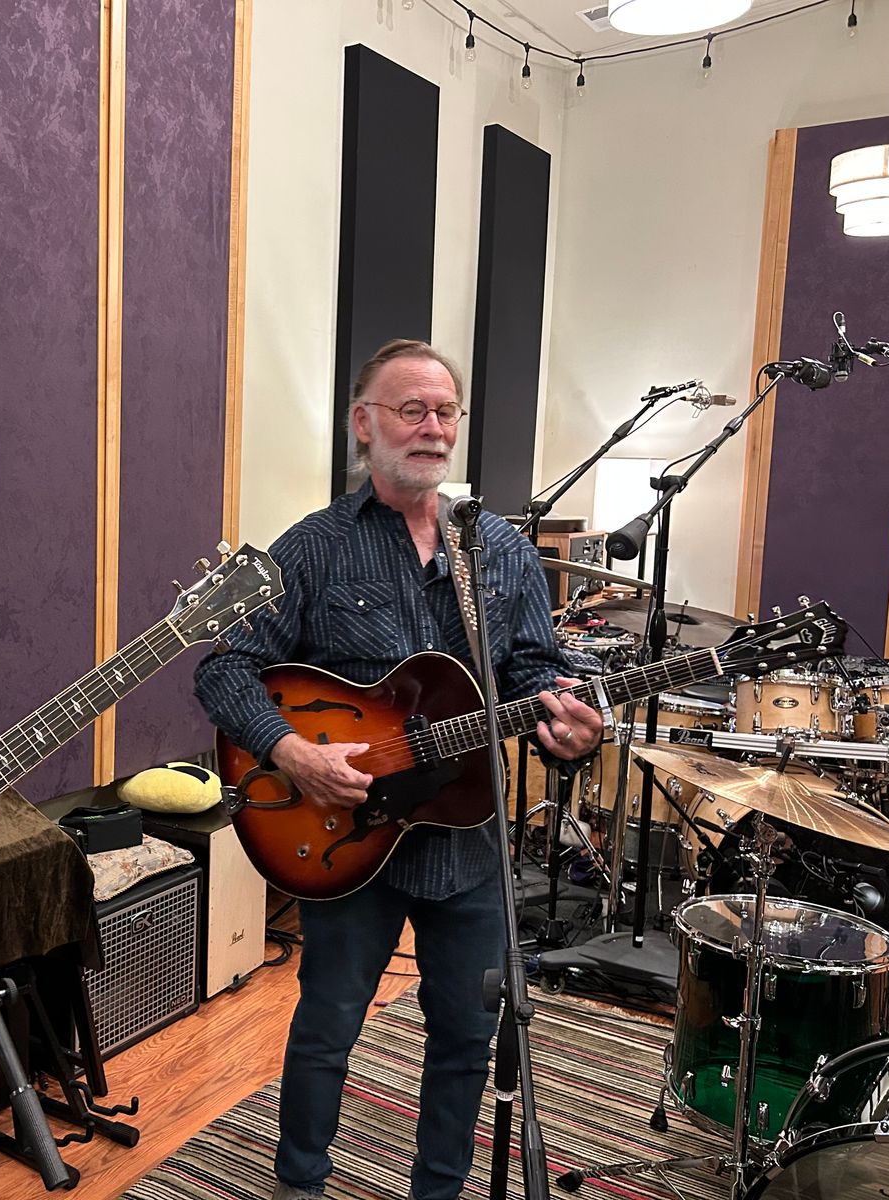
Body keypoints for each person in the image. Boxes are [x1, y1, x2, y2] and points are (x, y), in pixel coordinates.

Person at [195, 339, 604, 1200]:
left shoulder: (498, 549)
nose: (432, 427)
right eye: (411, 409)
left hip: (467, 839)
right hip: (349, 839)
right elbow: (223, 671)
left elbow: (534, 671)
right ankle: (300, 1183)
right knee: (328, 1027)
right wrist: (294, 752)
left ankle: (438, 1190)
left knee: (466, 1036)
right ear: (363, 423)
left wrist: (564, 728)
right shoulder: (312, 548)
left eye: (445, 411)